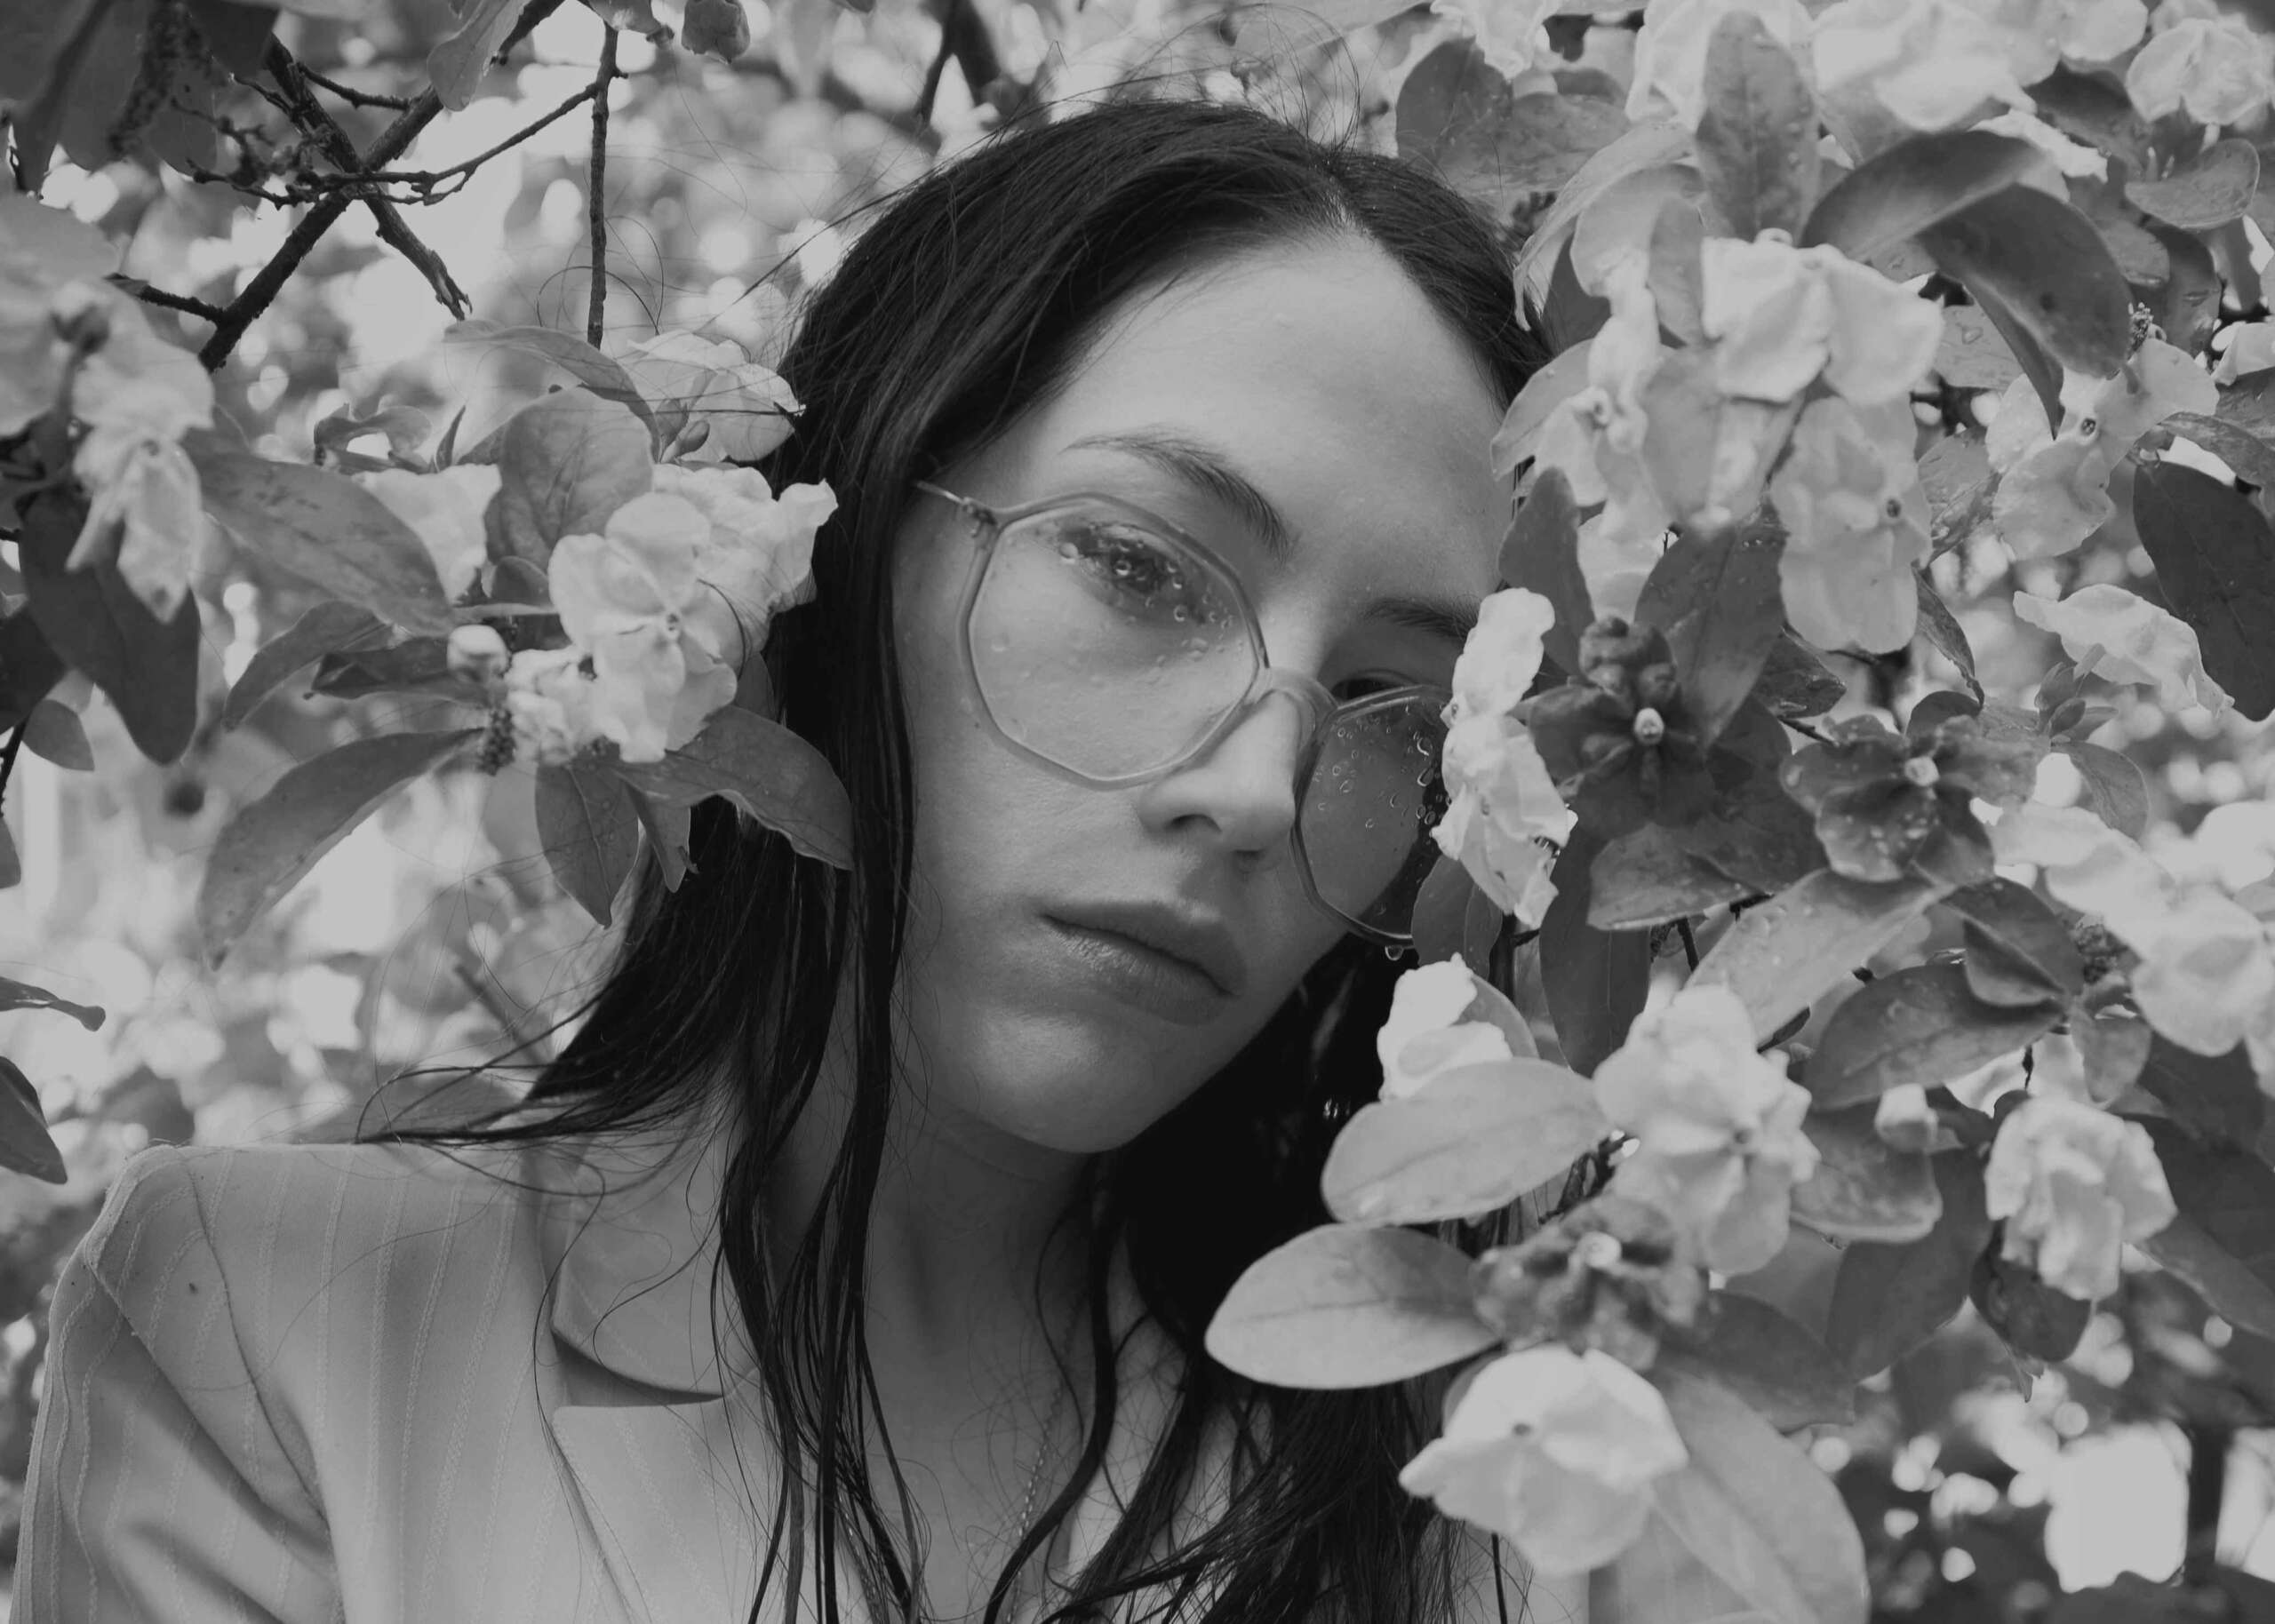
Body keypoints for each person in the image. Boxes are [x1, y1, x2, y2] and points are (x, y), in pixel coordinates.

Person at [15, 93, 1590, 1624]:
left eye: (1398, 710)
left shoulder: (1513, 1472)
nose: (1259, 792)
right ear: (832, 544)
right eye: (1138, 568)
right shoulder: (275, 1326)